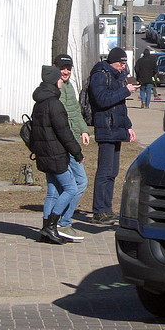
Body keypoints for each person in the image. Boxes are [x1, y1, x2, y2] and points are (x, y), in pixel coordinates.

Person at [29, 65, 84, 245]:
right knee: (71, 189)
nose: (62, 81)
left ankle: (46, 230)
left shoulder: (39, 102)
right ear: (54, 81)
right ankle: (52, 225)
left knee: (53, 192)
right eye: (60, 79)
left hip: (43, 154)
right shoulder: (54, 104)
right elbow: (64, 132)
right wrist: (77, 153)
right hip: (55, 154)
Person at [43, 53, 91, 241]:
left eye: (68, 68)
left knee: (54, 190)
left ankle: (47, 229)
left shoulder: (69, 87)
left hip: (68, 142)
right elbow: (60, 124)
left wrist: (84, 130)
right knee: (80, 183)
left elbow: (75, 113)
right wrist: (74, 149)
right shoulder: (55, 91)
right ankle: (64, 222)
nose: (66, 71)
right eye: (62, 68)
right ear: (54, 68)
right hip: (63, 146)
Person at [88, 47, 138, 224]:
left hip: (116, 129)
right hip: (106, 128)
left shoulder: (117, 77)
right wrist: (126, 90)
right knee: (105, 171)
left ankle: (107, 209)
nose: (122, 67)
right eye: (120, 63)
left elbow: (120, 108)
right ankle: (99, 210)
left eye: (124, 63)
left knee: (113, 172)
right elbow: (102, 99)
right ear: (112, 61)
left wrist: (128, 126)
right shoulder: (100, 74)